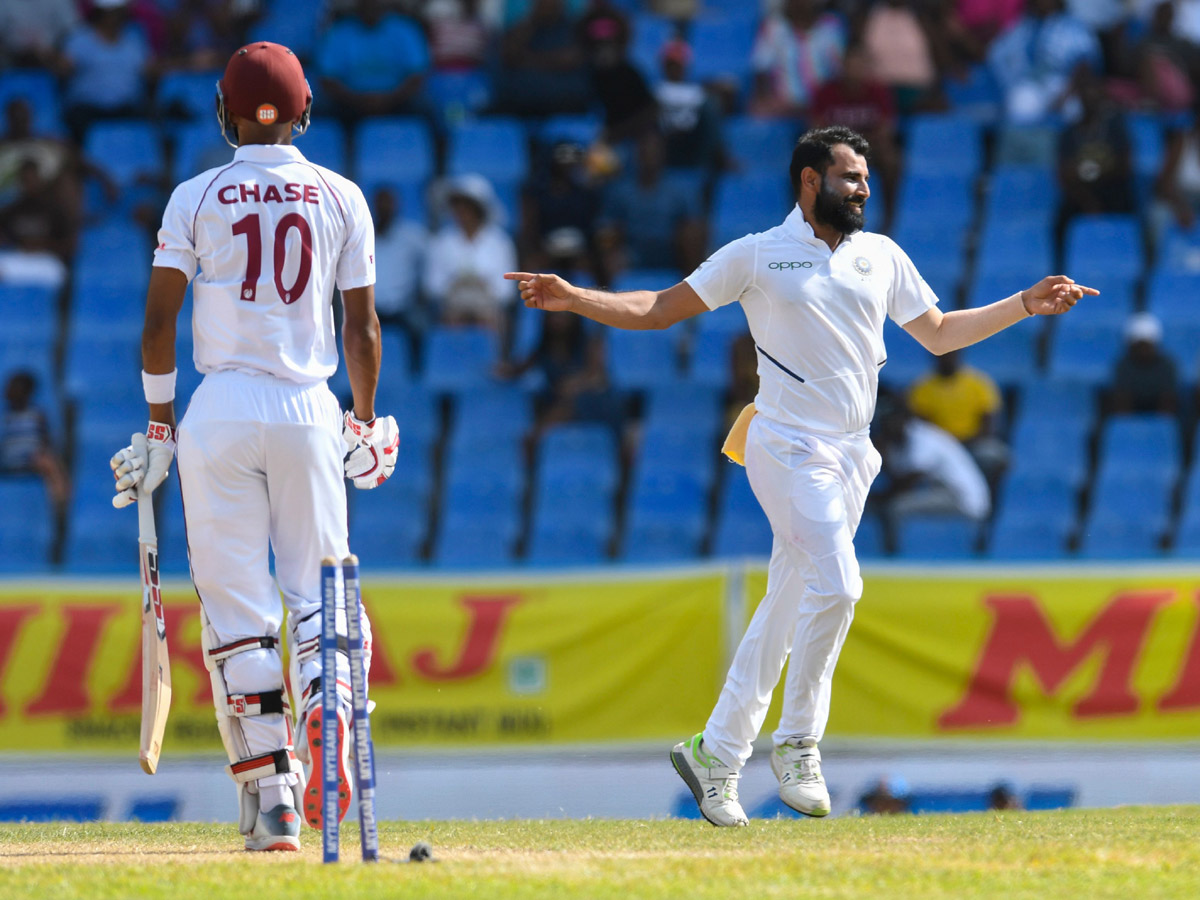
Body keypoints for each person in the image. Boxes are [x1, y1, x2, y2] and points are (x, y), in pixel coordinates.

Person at [506, 125, 1097, 826]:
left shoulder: (880, 255)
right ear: (810, 182)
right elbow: (661, 309)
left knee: (785, 608)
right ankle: (798, 743)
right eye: (850, 177)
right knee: (841, 584)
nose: (864, 188)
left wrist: (1024, 304)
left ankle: (714, 755)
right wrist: (576, 298)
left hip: (853, 455)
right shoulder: (759, 255)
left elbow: (938, 332)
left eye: (866, 177)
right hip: (783, 445)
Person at [107, 42, 399, 853]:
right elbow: (362, 327)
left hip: (219, 410)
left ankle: (273, 804)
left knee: (237, 614)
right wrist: (365, 421)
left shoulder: (196, 196)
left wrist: (161, 427)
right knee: (319, 598)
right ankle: (329, 713)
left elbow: (158, 323)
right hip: (309, 407)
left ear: (224, 111)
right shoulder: (341, 195)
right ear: (304, 109)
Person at [424, 173, 518, 329]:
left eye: (467, 206)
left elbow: (506, 291)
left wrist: (481, 286)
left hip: (488, 305)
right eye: (458, 205)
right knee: (452, 319)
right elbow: (432, 286)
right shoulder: (441, 241)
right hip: (452, 305)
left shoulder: (500, 242)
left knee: (491, 319)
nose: (462, 211)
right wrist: (457, 285)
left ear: (479, 209)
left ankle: (493, 353)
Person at [906, 349, 1009, 482]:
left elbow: (989, 425)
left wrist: (964, 444)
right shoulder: (921, 388)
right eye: (943, 353)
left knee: (995, 455)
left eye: (951, 353)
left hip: (974, 444)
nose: (947, 357)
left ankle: (988, 499)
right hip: (940, 448)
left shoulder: (979, 383)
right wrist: (949, 446)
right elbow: (924, 430)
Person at [1110, 312, 1178, 415]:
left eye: (1147, 345)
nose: (1143, 350)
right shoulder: (1122, 366)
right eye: (1139, 345)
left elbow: (1168, 401)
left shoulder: (1167, 365)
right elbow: (1122, 401)